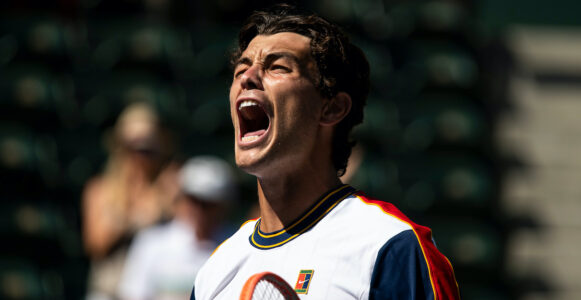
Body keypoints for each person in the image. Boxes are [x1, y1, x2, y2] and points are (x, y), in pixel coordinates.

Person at [191, 5, 460, 300]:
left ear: (332, 108)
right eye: (241, 68)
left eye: (278, 67)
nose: (248, 77)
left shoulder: (391, 247)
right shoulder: (216, 269)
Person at [82, 102, 180, 300]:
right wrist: (137, 216)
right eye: (133, 147)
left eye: (149, 149)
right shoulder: (101, 189)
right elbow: (96, 244)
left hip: (155, 291)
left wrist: (165, 200)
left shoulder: (170, 188)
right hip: (109, 290)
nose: (140, 157)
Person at [118, 156, 237, 300]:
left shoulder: (235, 245)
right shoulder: (150, 243)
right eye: (194, 199)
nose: (199, 210)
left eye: (208, 203)